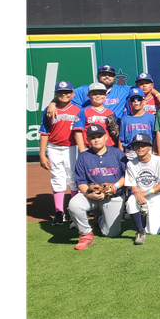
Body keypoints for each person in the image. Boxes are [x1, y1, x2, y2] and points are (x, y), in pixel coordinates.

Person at [68, 124, 127, 250]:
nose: (96, 139)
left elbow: (126, 175)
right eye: (93, 137)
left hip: (113, 196)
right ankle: (86, 233)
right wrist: (88, 194)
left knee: (111, 234)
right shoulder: (83, 156)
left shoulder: (117, 153)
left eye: (99, 136)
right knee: (74, 204)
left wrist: (115, 187)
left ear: (106, 137)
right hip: (92, 195)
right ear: (88, 140)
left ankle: (100, 217)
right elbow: (81, 181)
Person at [38, 80, 81, 226]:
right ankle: (59, 211)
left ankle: (72, 210)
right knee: (57, 178)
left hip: (72, 147)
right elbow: (44, 132)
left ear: (73, 94)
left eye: (67, 92)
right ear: (56, 94)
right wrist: (42, 154)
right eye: (61, 92)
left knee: (73, 178)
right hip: (54, 147)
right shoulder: (49, 110)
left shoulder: (78, 109)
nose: (64, 94)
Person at [123, 133, 160, 245]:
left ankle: (144, 215)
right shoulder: (131, 163)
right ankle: (140, 230)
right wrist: (137, 194)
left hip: (155, 195)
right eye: (137, 145)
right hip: (139, 194)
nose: (140, 148)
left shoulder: (158, 160)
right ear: (133, 148)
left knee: (153, 231)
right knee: (130, 202)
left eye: (143, 145)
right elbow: (132, 185)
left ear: (150, 147)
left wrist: (144, 193)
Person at [73, 83, 119, 150]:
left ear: (106, 95)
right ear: (88, 96)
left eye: (101, 93)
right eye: (94, 94)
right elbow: (78, 132)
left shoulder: (110, 112)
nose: (98, 96)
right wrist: (82, 150)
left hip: (108, 147)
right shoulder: (84, 111)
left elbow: (115, 132)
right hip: (90, 147)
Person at [118, 88, 156, 161]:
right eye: (133, 99)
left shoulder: (152, 118)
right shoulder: (125, 119)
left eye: (139, 99)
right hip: (131, 152)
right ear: (129, 102)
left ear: (144, 101)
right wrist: (121, 155)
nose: (136, 102)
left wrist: (154, 152)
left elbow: (154, 137)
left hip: (147, 150)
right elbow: (121, 139)